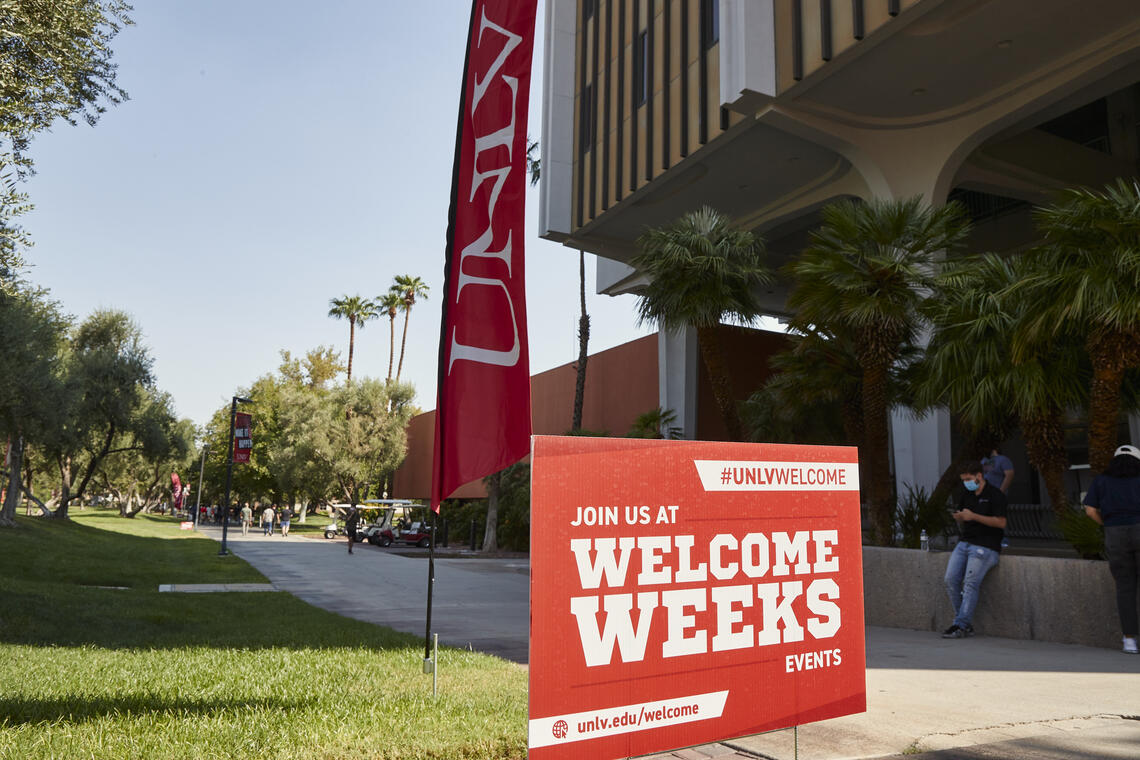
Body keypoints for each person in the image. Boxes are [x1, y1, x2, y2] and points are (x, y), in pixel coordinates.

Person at [1083, 444, 1140, 655]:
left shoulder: (1101, 480)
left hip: (1114, 533)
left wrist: (1106, 524)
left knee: (1125, 588)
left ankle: (1129, 641)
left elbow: (1090, 510)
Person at [943, 460, 1008, 639]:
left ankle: (961, 624)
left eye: (969, 479)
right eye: (964, 480)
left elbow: (1001, 522)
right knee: (950, 579)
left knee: (971, 583)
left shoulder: (995, 495)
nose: (967, 483)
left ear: (979, 476)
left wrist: (974, 516)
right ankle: (961, 621)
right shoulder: (967, 494)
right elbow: (963, 515)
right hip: (965, 542)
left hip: (986, 546)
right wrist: (960, 517)